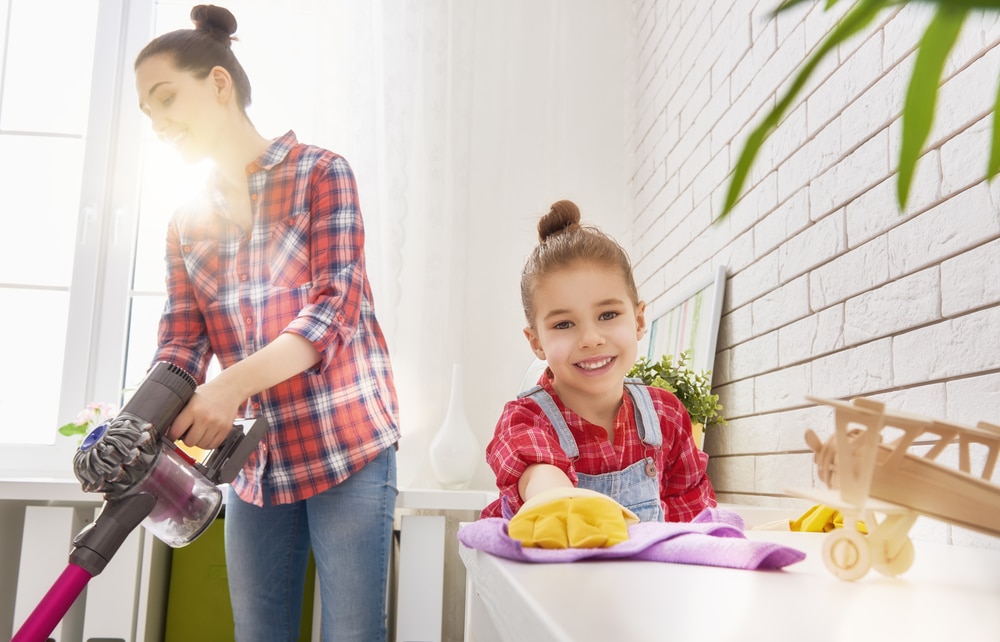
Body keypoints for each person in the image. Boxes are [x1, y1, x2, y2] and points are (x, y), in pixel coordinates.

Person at [134, 6, 399, 640]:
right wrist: (135, 424)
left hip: (348, 444)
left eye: (166, 98)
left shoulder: (320, 173)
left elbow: (332, 308)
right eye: (148, 112)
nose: (159, 121)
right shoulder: (184, 221)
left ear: (219, 83)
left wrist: (230, 388)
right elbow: (182, 340)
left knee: (352, 634)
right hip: (257, 464)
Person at [481, 199, 716, 532]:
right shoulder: (526, 420)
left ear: (637, 320)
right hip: (554, 581)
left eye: (608, 315)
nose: (590, 338)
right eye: (564, 324)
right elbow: (542, 481)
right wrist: (564, 509)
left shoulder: (668, 416)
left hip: (646, 581)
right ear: (536, 342)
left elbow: (693, 520)